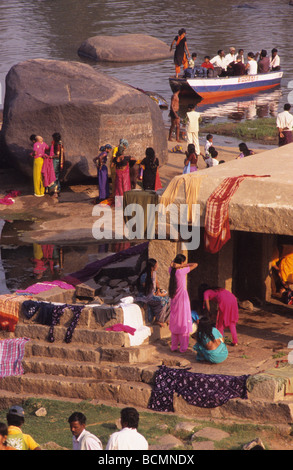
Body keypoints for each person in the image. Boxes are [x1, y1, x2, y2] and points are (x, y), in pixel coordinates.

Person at [168, 254, 198, 353]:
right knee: (183, 321)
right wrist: (182, 266)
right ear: (181, 262)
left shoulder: (171, 270)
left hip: (174, 299)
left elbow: (170, 265)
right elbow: (195, 264)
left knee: (175, 321)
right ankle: (183, 348)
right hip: (182, 300)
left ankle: (174, 347)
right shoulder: (181, 271)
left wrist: (175, 265)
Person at [137, 258, 170, 327]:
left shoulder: (154, 273)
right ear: (152, 267)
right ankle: (158, 320)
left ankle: (165, 319)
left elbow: (157, 283)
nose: (157, 267)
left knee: (170, 300)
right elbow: (145, 290)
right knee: (162, 301)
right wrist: (156, 294)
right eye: (156, 265)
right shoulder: (144, 276)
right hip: (146, 296)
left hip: (153, 294)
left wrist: (158, 290)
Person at [49, 132, 65, 196]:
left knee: (55, 175)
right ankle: (58, 189)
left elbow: (57, 155)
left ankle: (55, 191)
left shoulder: (57, 145)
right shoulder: (60, 144)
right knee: (57, 176)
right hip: (59, 161)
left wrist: (51, 157)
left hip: (56, 161)